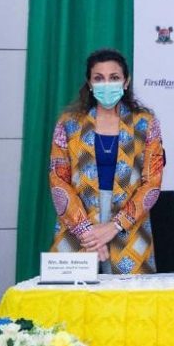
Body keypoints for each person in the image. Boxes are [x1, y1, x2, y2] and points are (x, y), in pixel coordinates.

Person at [49, 48, 164, 274]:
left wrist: (115, 226)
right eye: (99, 78)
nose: (106, 84)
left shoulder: (145, 123)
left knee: (128, 295)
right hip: (78, 223)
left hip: (130, 226)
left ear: (126, 82)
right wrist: (87, 232)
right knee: (73, 294)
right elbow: (58, 180)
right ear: (89, 83)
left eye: (114, 77)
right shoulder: (69, 124)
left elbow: (152, 182)